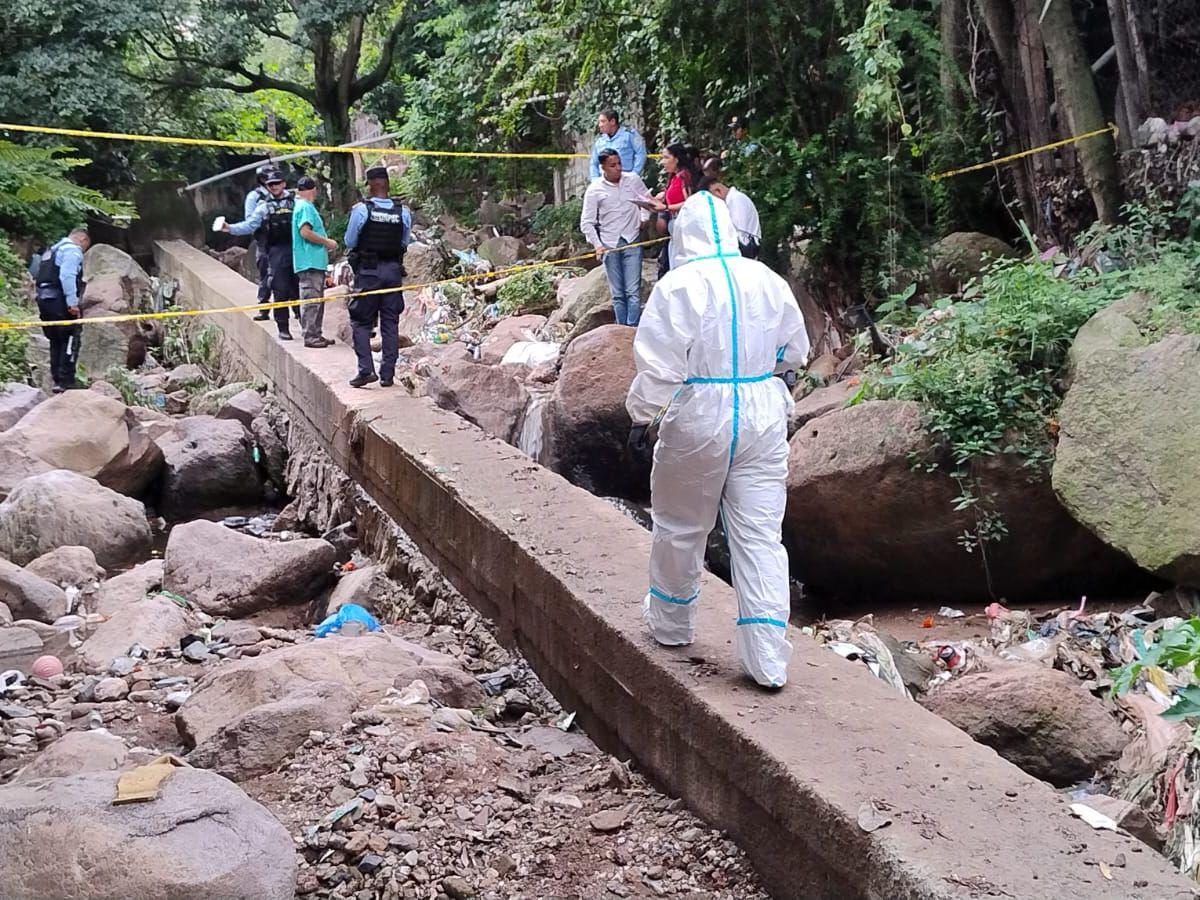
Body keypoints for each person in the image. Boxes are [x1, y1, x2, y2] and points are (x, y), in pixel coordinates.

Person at [625, 191, 810, 689]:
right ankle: (768, 658)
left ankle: (671, 624)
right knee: (759, 536)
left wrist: (641, 417)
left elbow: (659, 366)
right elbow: (795, 351)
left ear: (682, 236)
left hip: (699, 413)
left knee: (681, 526)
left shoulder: (678, 286)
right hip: (761, 413)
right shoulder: (768, 280)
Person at [344, 165, 412, 388]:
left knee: (361, 322)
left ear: (371, 185)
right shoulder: (403, 211)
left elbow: (350, 242)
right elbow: (404, 242)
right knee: (390, 323)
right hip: (393, 271)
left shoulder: (362, 210)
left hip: (368, 272)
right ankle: (387, 374)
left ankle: (366, 370)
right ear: (387, 185)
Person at [580, 149, 654, 327]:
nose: (618, 168)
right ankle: (621, 329)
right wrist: (598, 245)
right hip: (609, 243)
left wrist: (643, 219)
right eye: (613, 165)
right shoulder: (594, 190)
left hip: (632, 239)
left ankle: (633, 327)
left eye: (619, 164)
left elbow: (648, 200)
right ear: (603, 167)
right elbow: (587, 223)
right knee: (618, 293)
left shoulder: (632, 180)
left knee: (633, 291)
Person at [223, 167, 297, 340]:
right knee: (280, 289)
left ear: (283, 183)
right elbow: (250, 224)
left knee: (298, 289)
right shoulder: (262, 206)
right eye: (271, 184)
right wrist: (229, 228)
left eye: (277, 183)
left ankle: (307, 326)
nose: (274, 186)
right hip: (275, 250)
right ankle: (283, 327)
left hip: (296, 249)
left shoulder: (296, 202)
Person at [32, 227, 90, 393]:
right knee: (71, 337)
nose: (83, 251)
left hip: (44, 300)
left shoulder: (51, 251)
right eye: (85, 247)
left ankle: (57, 379)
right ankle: (66, 381)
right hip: (60, 300)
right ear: (82, 240)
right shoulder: (72, 251)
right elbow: (67, 275)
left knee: (55, 340)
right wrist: (72, 303)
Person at [291, 175, 338, 348]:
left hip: (314, 262)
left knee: (317, 299)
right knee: (311, 300)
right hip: (309, 261)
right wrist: (327, 242)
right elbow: (305, 232)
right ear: (314, 190)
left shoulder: (303, 206)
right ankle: (310, 336)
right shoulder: (305, 207)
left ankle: (316, 334)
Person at [654, 143, 700, 278]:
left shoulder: (684, 176)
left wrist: (667, 208)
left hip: (683, 224)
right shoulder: (673, 177)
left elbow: (690, 202)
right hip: (674, 225)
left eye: (666, 158)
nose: (663, 162)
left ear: (677, 159)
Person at [697, 174, 762, 259]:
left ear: (717, 191)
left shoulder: (737, 200)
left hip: (746, 249)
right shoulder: (731, 201)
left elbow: (738, 231)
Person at [245, 165, 273, 320]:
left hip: (282, 241)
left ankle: (296, 310)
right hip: (263, 240)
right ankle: (264, 308)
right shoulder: (254, 197)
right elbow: (250, 222)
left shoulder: (284, 196)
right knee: (265, 275)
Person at [588, 109, 647, 180]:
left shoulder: (629, 135)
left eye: (603, 121)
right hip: (605, 182)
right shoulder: (600, 140)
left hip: (625, 180)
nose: (600, 125)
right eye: (599, 122)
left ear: (612, 121)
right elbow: (594, 163)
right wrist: (595, 180)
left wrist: (634, 174)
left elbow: (641, 153)